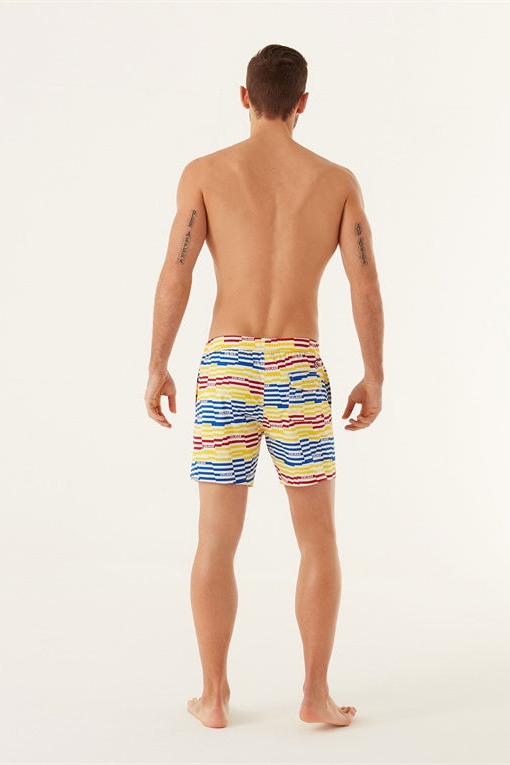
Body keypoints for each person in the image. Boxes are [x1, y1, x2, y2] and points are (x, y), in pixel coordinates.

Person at [145, 43, 384, 729]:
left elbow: (177, 271)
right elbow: (364, 281)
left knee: (215, 540)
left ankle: (213, 696)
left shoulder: (205, 174)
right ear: (302, 103)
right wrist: (373, 372)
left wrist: (157, 364)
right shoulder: (334, 181)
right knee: (318, 539)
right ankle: (315, 693)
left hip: (227, 366)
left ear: (244, 97)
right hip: (297, 368)